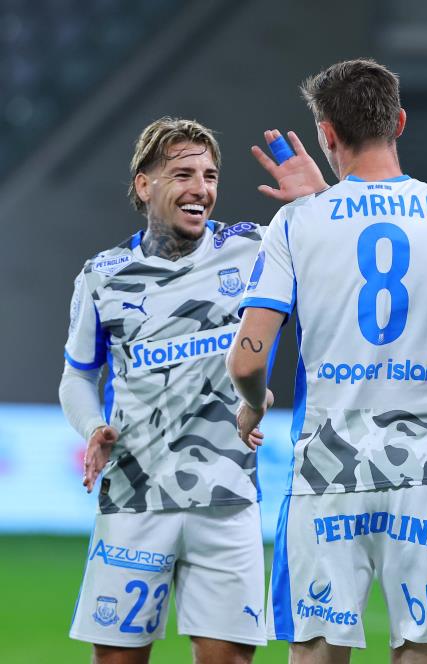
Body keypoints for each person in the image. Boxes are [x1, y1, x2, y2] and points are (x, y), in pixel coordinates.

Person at [226, 58, 427, 663]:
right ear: (400, 122)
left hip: (326, 472)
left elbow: (247, 362)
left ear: (327, 133)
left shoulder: (296, 223)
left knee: (317, 650)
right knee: (424, 650)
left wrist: (253, 406)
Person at [61, 117, 276, 663]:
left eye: (210, 175)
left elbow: (328, 246)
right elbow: (78, 376)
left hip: (226, 496)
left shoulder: (251, 249)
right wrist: (93, 427)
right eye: (183, 174)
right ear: (144, 184)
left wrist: (311, 196)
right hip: (135, 496)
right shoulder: (103, 276)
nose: (200, 188)